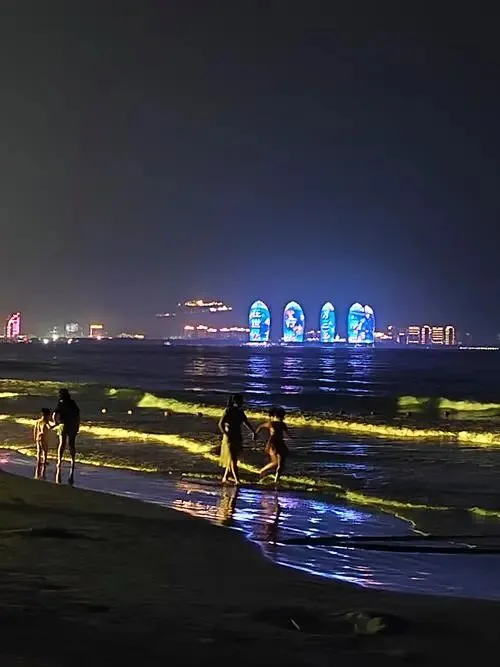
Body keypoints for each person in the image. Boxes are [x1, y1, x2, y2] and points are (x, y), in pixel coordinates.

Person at [218, 393, 255, 485]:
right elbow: (220, 424)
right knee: (233, 459)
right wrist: (226, 434)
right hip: (229, 437)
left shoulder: (240, 411)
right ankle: (237, 480)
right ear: (235, 401)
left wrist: (253, 432)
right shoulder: (228, 411)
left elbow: (245, 422)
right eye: (240, 401)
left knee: (232, 458)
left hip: (237, 437)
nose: (242, 402)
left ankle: (225, 477)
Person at [256, 406, 291, 484]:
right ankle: (262, 470)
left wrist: (293, 437)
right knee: (276, 462)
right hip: (273, 444)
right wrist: (255, 434)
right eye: (281, 416)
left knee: (281, 464)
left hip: (280, 443)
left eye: (282, 416)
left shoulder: (282, 424)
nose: (282, 418)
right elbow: (260, 426)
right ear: (276, 416)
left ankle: (276, 480)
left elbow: (288, 434)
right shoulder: (271, 423)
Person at [53, 388, 80, 485]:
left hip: (63, 424)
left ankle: (59, 461)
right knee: (71, 444)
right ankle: (72, 461)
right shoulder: (72, 402)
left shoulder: (61, 402)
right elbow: (77, 414)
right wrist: (77, 425)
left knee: (62, 443)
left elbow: (55, 413)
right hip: (72, 425)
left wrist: (55, 422)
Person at [33, 408, 53, 479]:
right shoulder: (46, 422)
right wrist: (56, 425)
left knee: (39, 451)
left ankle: (39, 461)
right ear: (47, 415)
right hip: (43, 438)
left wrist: (35, 437)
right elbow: (49, 427)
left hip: (38, 438)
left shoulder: (38, 421)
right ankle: (44, 461)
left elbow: (35, 430)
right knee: (45, 451)